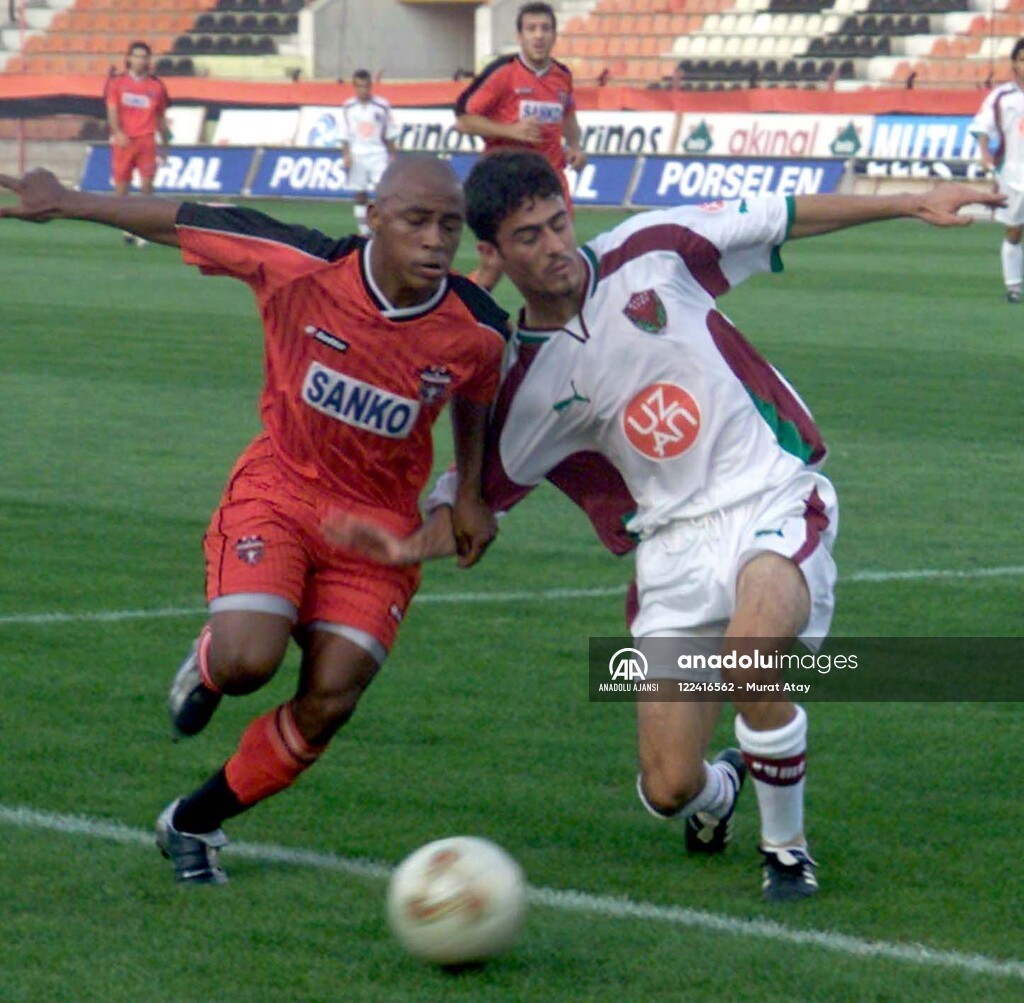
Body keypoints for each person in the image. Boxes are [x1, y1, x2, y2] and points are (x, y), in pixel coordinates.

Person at [324, 150, 1003, 901]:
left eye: (558, 223)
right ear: (492, 252)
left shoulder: (652, 248)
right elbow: (471, 511)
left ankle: (786, 853)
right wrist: (401, 543)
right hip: (674, 553)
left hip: (770, 495)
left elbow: (782, 215)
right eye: (529, 236)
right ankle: (723, 789)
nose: (554, 246)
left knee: (752, 658)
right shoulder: (525, 385)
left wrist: (911, 202)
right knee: (669, 787)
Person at [0, 156, 507, 886]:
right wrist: (67, 200)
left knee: (333, 695)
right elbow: (185, 220)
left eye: (449, 225)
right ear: (374, 216)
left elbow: (479, 387)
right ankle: (212, 661)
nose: (435, 240)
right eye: (416, 220)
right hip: (282, 490)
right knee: (248, 662)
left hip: (378, 531)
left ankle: (192, 822)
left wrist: (470, 489)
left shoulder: (478, 324)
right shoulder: (299, 264)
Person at [454, 1, 586, 292]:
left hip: (550, 181)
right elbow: (463, 121)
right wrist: (510, 131)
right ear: (520, 36)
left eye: (545, 29)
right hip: (506, 184)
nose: (538, 35)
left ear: (554, 35)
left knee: (561, 259)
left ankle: (562, 319)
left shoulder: (562, 76)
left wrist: (575, 145)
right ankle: (463, 309)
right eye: (531, 29)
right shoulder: (503, 73)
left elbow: (568, 115)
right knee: (494, 267)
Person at [969, 37, 1024, 302]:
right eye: (1023, 60)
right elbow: (982, 126)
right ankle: (1013, 287)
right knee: (1014, 231)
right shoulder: (1002, 97)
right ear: (1014, 64)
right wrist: (984, 153)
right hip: (1013, 174)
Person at [104, 41, 171, 247]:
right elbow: (112, 110)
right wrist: (117, 132)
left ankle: (144, 229)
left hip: (146, 140)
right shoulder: (117, 83)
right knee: (121, 188)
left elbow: (160, 117)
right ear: (129, 58)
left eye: (144, 57)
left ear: (149, 60)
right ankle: (127, 227)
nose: (140, 60)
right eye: (137, 56)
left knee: (147, 186)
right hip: (124, 141)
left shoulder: (156, 86)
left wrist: (165, 143)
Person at [341, 69, 399, 237]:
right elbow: (344, 135)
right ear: (354, 86)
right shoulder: (348, 107)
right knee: (360, 194)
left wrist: (393, 156)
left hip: (378, 154)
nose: (363, 90)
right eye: (359, 86)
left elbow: (389, 133)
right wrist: (346, 155)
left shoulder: (382, 105)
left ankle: (384, 226)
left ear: (371, 86)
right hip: (357, 155)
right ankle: (364, 231)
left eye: (366, 86)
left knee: (384, 192)